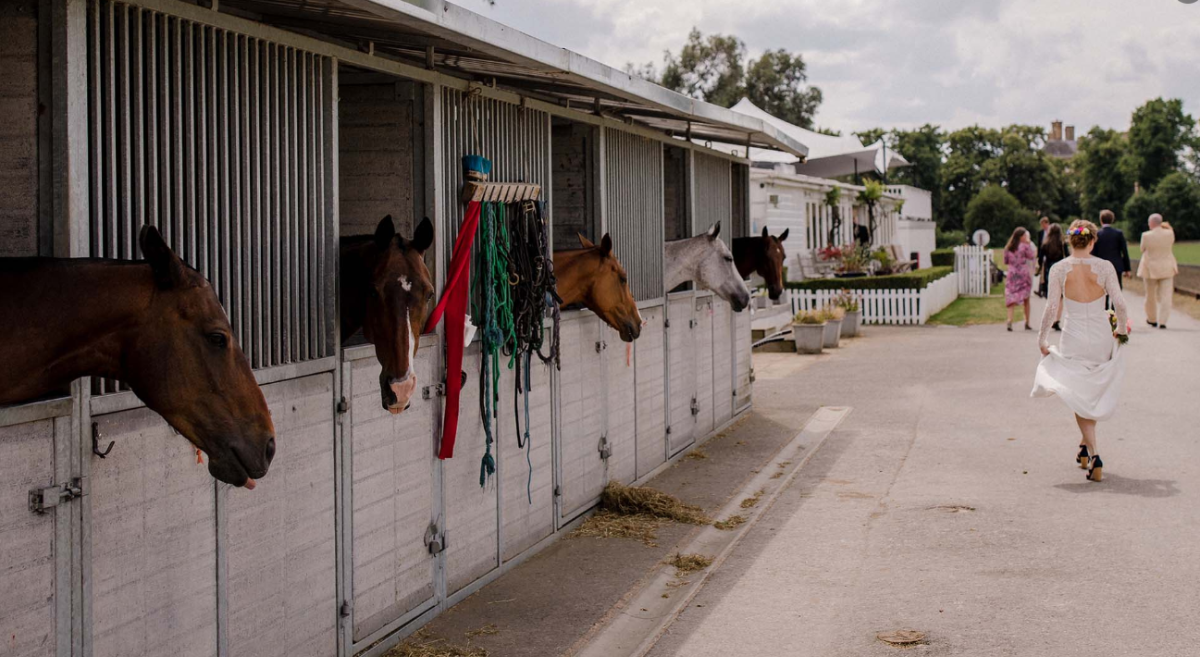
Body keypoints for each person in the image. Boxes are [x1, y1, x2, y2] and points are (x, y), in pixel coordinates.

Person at [1031, 219, 1128, 482]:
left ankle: (1094, 452)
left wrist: (1042, 339)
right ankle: (1084, 448)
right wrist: (1120, 329)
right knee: (1088, 392)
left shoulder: (1060, 268)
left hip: (1072, 337)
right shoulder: (1104, 267)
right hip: (1099, 337)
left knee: (1079, 393)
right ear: (1093, 240)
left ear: (1069, 241)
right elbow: (1119, 303)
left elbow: (1052, 308)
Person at [1137, 213, 1178, 329]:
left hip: (1150, 268)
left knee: (1150, 295)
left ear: (1151, 223)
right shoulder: (1170, 233)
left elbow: (1142, 249)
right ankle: (1163, 321)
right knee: (1166, 296)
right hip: (1167, 267)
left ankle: (1152, 318)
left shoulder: (1146, 235)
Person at [1003, 227, 1036, 331]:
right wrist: (1029, 244)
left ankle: (1009, 320)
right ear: (1021, 236)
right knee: (1026, 298)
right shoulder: (1025, 246)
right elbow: (1031, 256)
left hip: (1012, 273)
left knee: (1011, 298)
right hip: (1023, 273)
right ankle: (1027, 322)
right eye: (1025, 235)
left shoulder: (1008, 247)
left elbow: (1005, 261)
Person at [1091, 209, 1131, 290]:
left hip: (1101, 266)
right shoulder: (1118, 233)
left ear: (1101, 220)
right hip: (1116, 265)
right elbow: (1124, 252)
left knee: (1102, 289)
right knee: (1116, 288)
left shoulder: (1097, 234)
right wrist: (1127, 269)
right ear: (1112, 220)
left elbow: (1093, 252)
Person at [1038, 225, 1066, 328]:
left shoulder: (1045, 244)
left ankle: (1049, 318)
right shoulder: (1062, 244)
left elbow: (1040, 259)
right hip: (1060, 270)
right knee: (1060, 297)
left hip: (1049, 270)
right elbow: (1067, 256)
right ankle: (1057, 320)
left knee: (1051, 296)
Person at [1034, 217, 1051, 297]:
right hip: (1043, 254)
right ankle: (1041, 290)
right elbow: (1039, 244)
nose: (1042, 226)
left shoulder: (1052, 232)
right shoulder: (1040, 233)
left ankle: (1044, 290)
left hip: (1050, 254)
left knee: (1046, 272)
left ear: (1047, 223)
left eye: (1043, 224)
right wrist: (1038, 255)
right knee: (1042, 272)